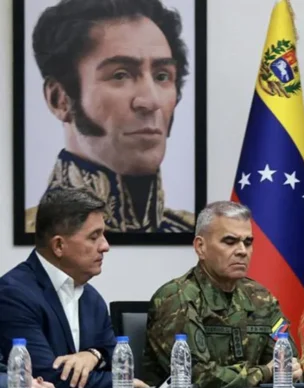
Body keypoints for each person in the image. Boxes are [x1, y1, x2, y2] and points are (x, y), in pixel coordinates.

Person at [25, 0, 195, 234]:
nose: (151, 101)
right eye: (120, 74)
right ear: (60, 99)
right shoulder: (33, 234)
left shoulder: (194, 232)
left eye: (162, 76)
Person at [142, 201, 304, 388]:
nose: (242, 251)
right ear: (200, 247)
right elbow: (197, 376)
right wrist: (263, 373)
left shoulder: (261, 298)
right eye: (230, 241)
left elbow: (287, 360)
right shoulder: (177, 298)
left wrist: (291, 370)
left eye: (248, 242)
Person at [0, 188, 147, 388]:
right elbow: (46, 379)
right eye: (94, 237)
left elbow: (116, 356)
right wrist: (120, 383)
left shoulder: (91, 298)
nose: (105, 246)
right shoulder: (13, 294)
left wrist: (93, 355)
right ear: (59, 245)